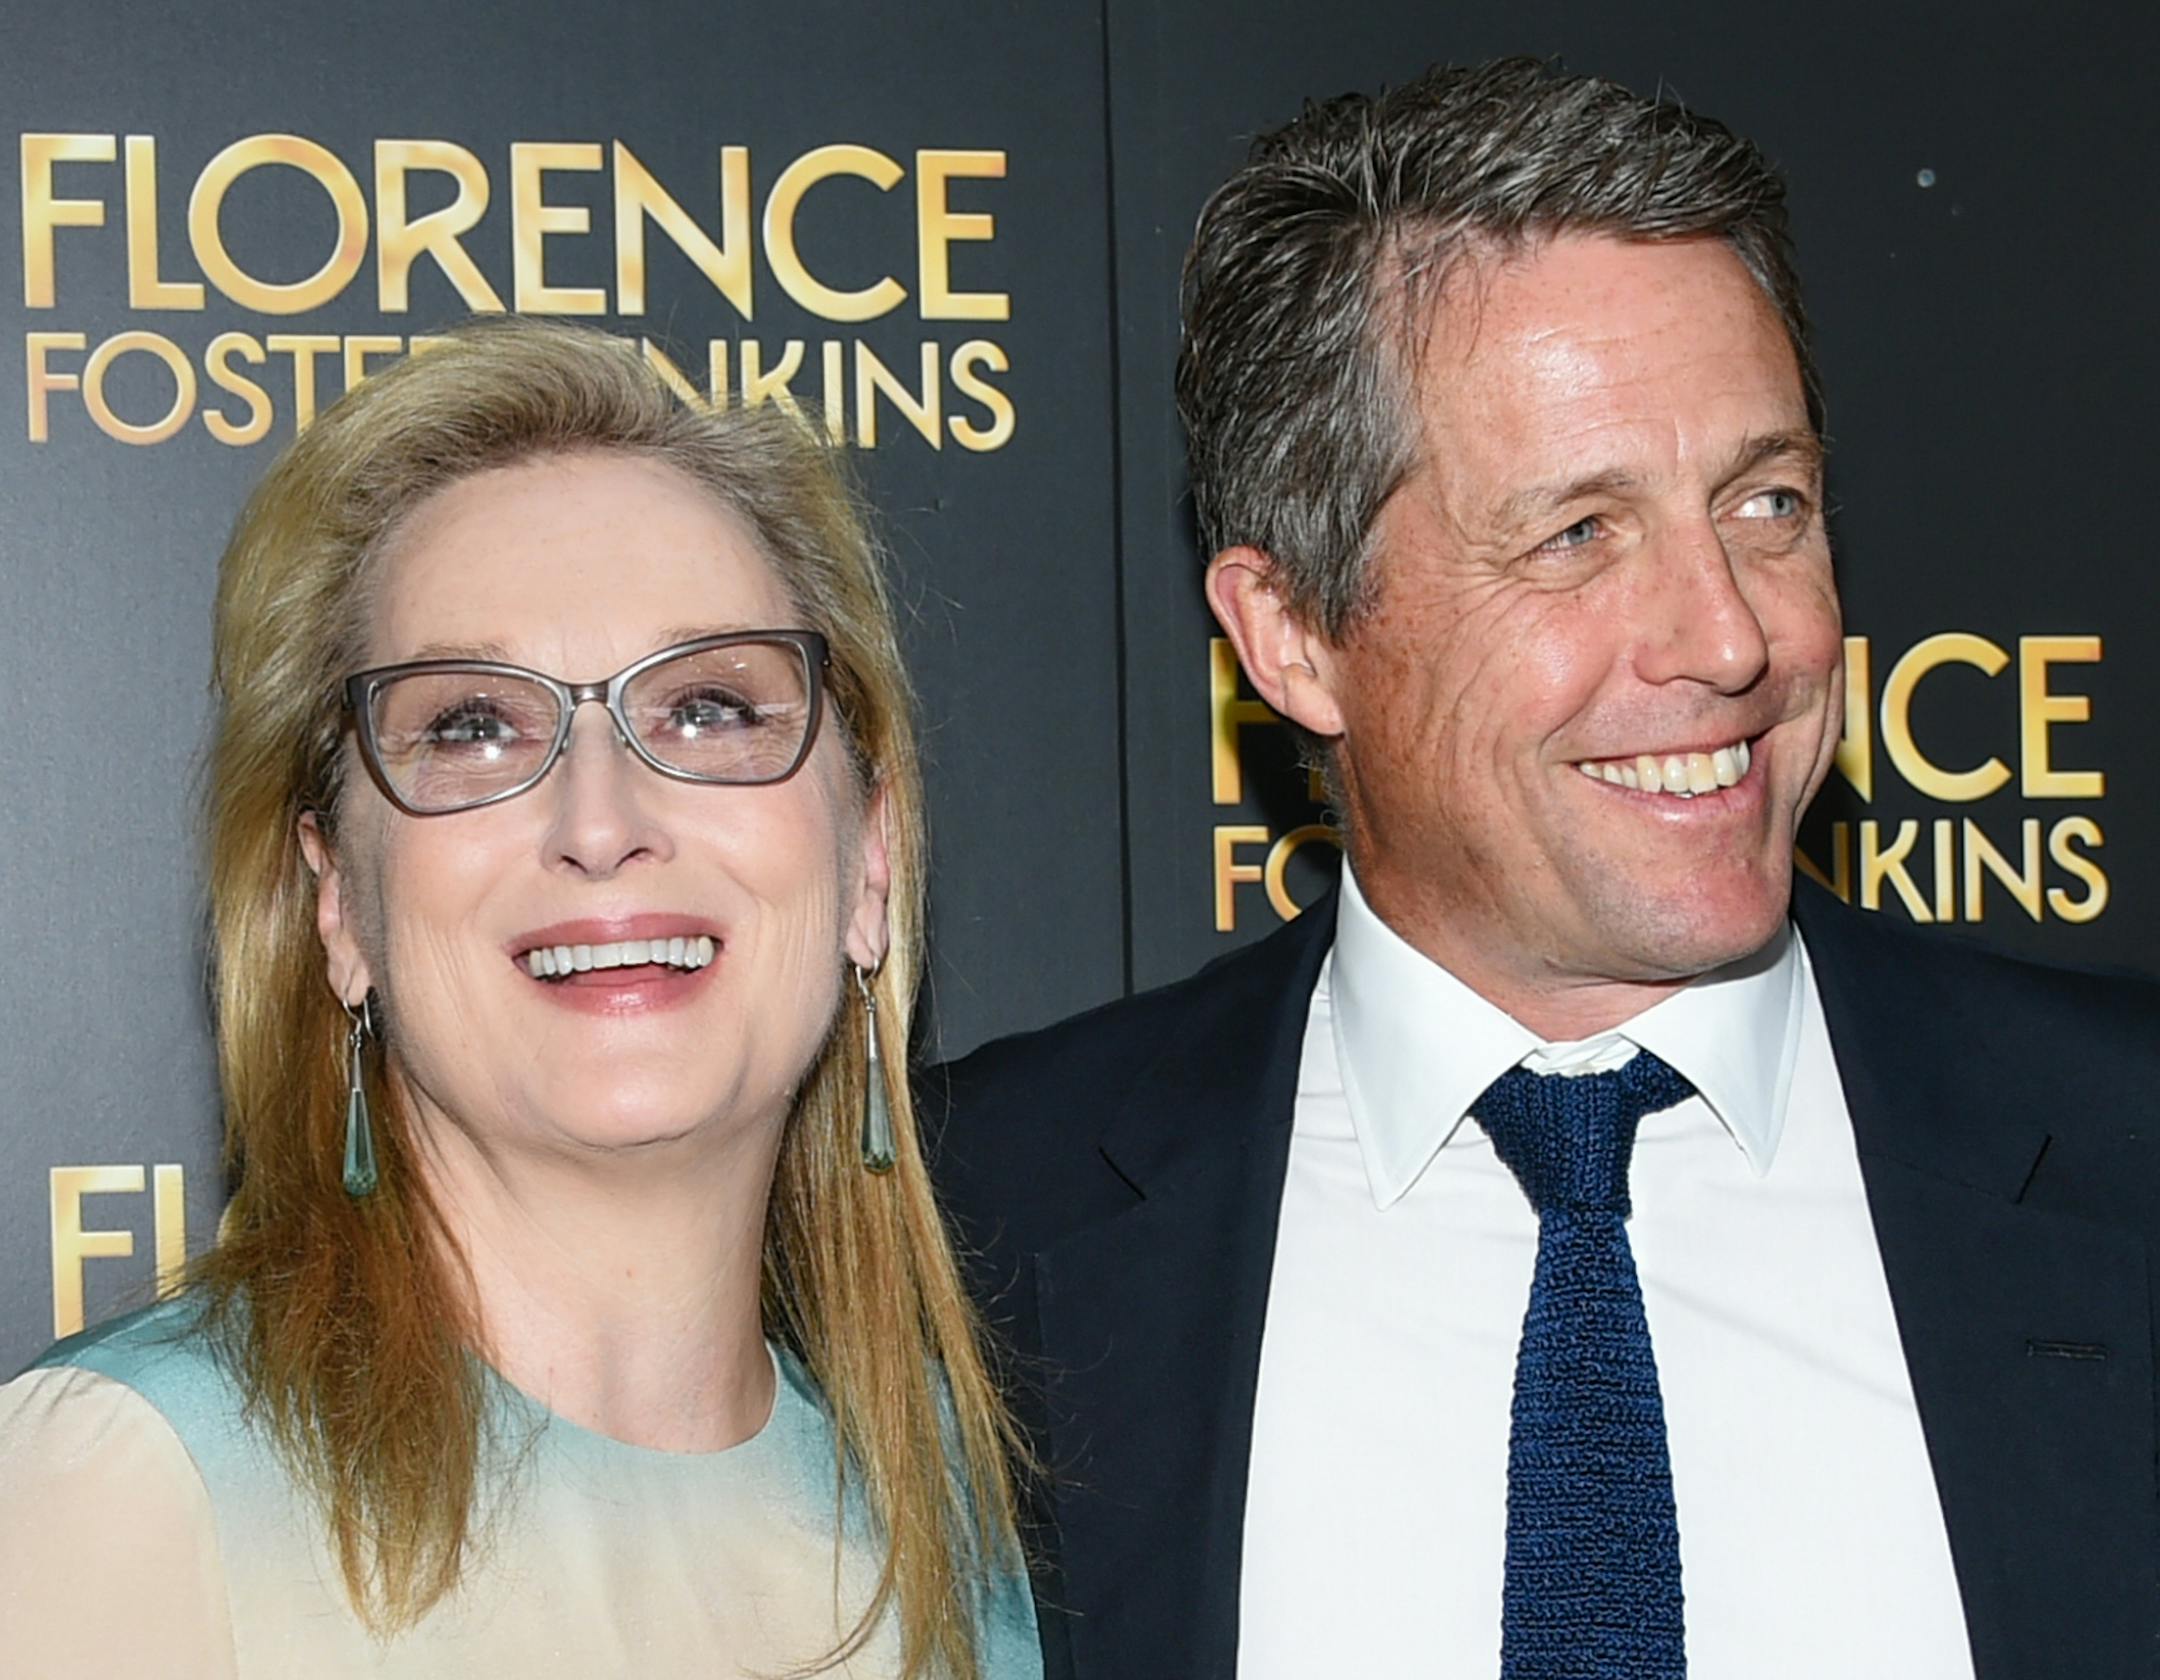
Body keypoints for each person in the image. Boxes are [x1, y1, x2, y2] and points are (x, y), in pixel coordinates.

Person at [931, 57, 2160, 1680]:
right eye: (1579, 534)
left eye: (1768, 502)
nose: (1732, 636)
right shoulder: (967, 1239)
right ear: (1294, 634)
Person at [0, 318, 1040, 1680]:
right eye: (474, 723)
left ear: (869, 860)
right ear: (337, 903)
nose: (600, 819)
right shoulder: (122, 1493)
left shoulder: (958, 1522)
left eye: (709, 707)